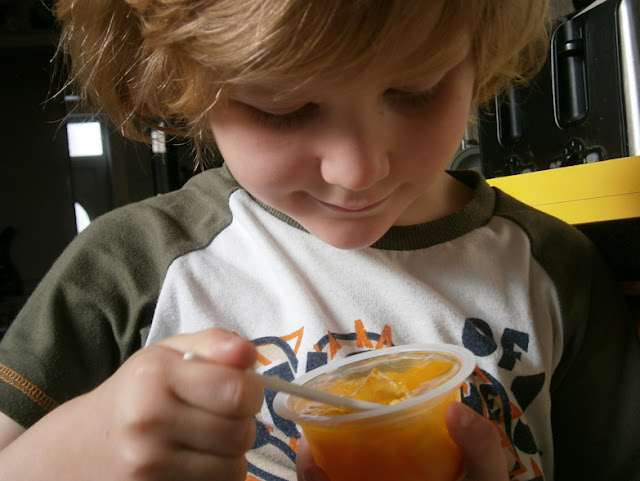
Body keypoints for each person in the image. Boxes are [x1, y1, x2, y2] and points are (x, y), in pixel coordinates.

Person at [0, 0, 638, 480]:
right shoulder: (128, 272)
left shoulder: (552, 272)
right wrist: (76, 451)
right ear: (183, 81)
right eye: (281, 109)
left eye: (415, 91)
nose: (358, 171)